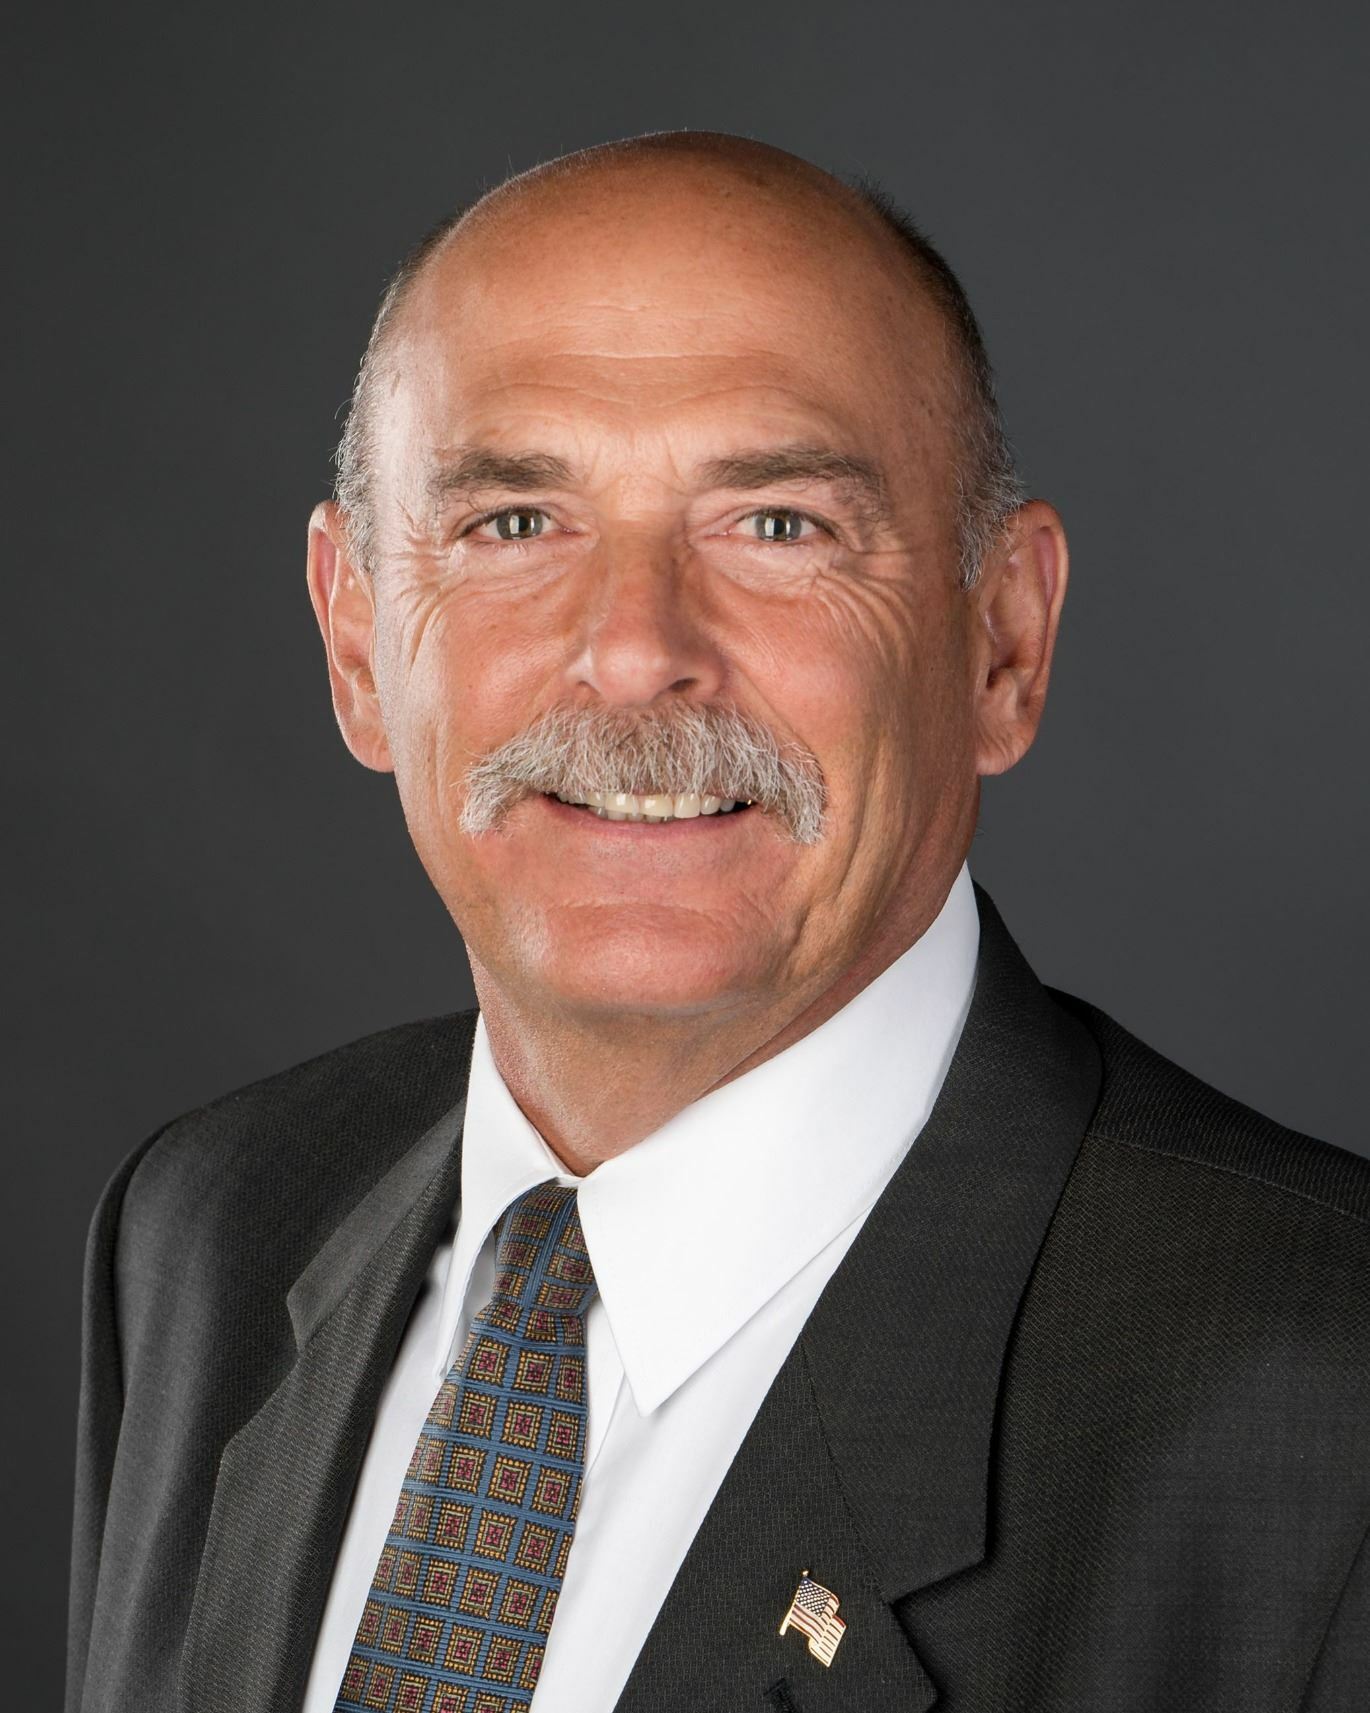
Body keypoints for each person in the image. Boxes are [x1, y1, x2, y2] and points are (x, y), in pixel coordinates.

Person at [66, 131, 1368, 1713]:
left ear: (1003, 644)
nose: (632, 651)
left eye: (778, 525)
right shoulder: (210, 1226)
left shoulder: (1322, 1406)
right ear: (355, 643)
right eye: (513, 523)